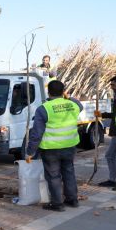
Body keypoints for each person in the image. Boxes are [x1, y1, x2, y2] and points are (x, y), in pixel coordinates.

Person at [25, 80, 82, 212]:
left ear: (48, 92)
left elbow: (36, 133)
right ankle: (72, 200)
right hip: (69, 146)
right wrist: (68, 97)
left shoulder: (44, 108)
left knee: (53, 176)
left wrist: (30, 152)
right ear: (63, 92)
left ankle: (57, 203)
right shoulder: (73, 105)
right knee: (69, 172)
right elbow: (80, 104)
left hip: (51, 149)